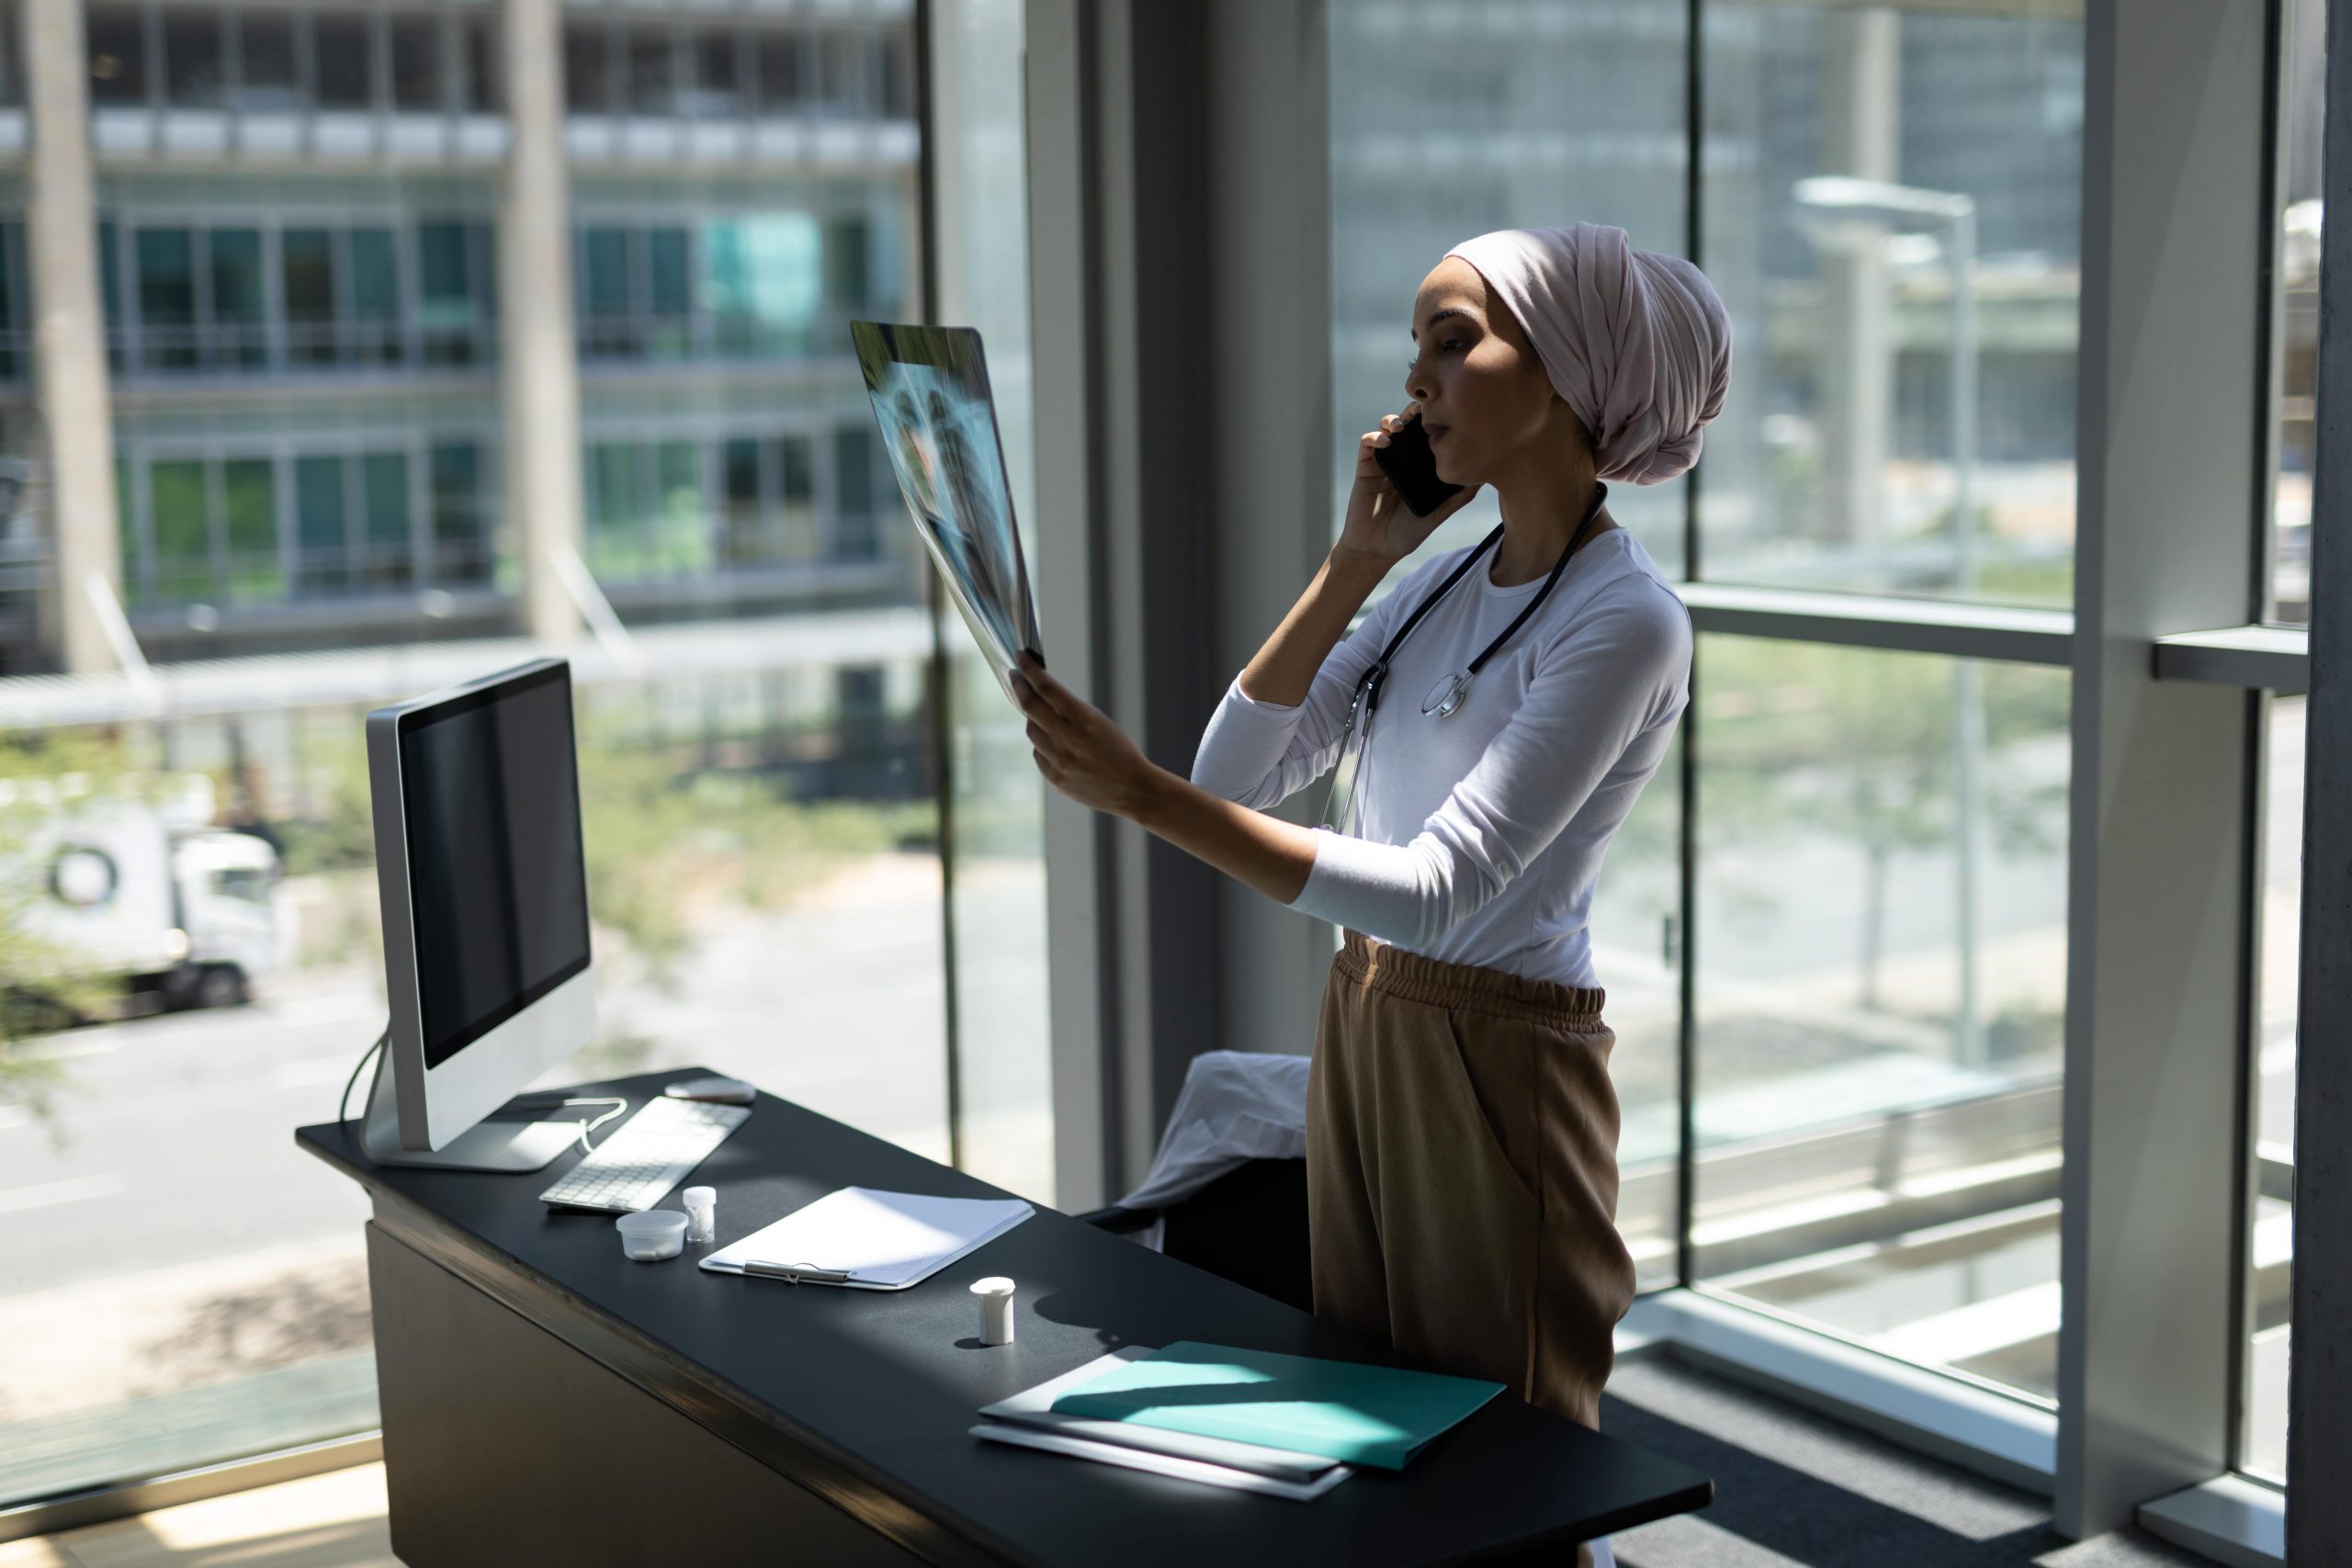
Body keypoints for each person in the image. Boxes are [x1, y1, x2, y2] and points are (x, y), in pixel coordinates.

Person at [1010, 223, 1727, 1567]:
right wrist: (1355, 559)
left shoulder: (1626, 620)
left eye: (1455, 344)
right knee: (1376, 1420)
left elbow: (1440, 893)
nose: (1416, 388)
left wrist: (1148, 799)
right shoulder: (1443, 576)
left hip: (1503, 1053)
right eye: (1417, 353)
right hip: (1372, 1012)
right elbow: (1242, 766)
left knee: (1506, 1459)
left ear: (1569, 370)